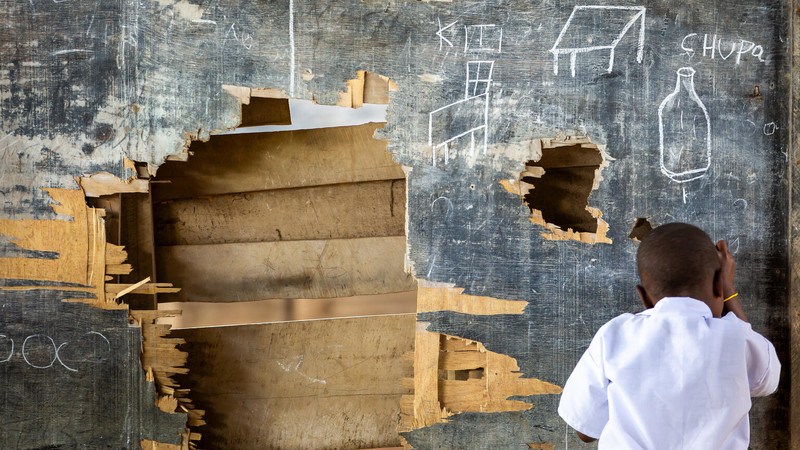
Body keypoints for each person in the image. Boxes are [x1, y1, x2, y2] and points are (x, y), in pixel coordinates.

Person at [557, 222, 780, 448]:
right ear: (718, 286)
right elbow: (766, 380)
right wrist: (729, 293)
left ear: (644, 298)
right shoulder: (737, 337)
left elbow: (585, 430)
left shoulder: (615, 335)